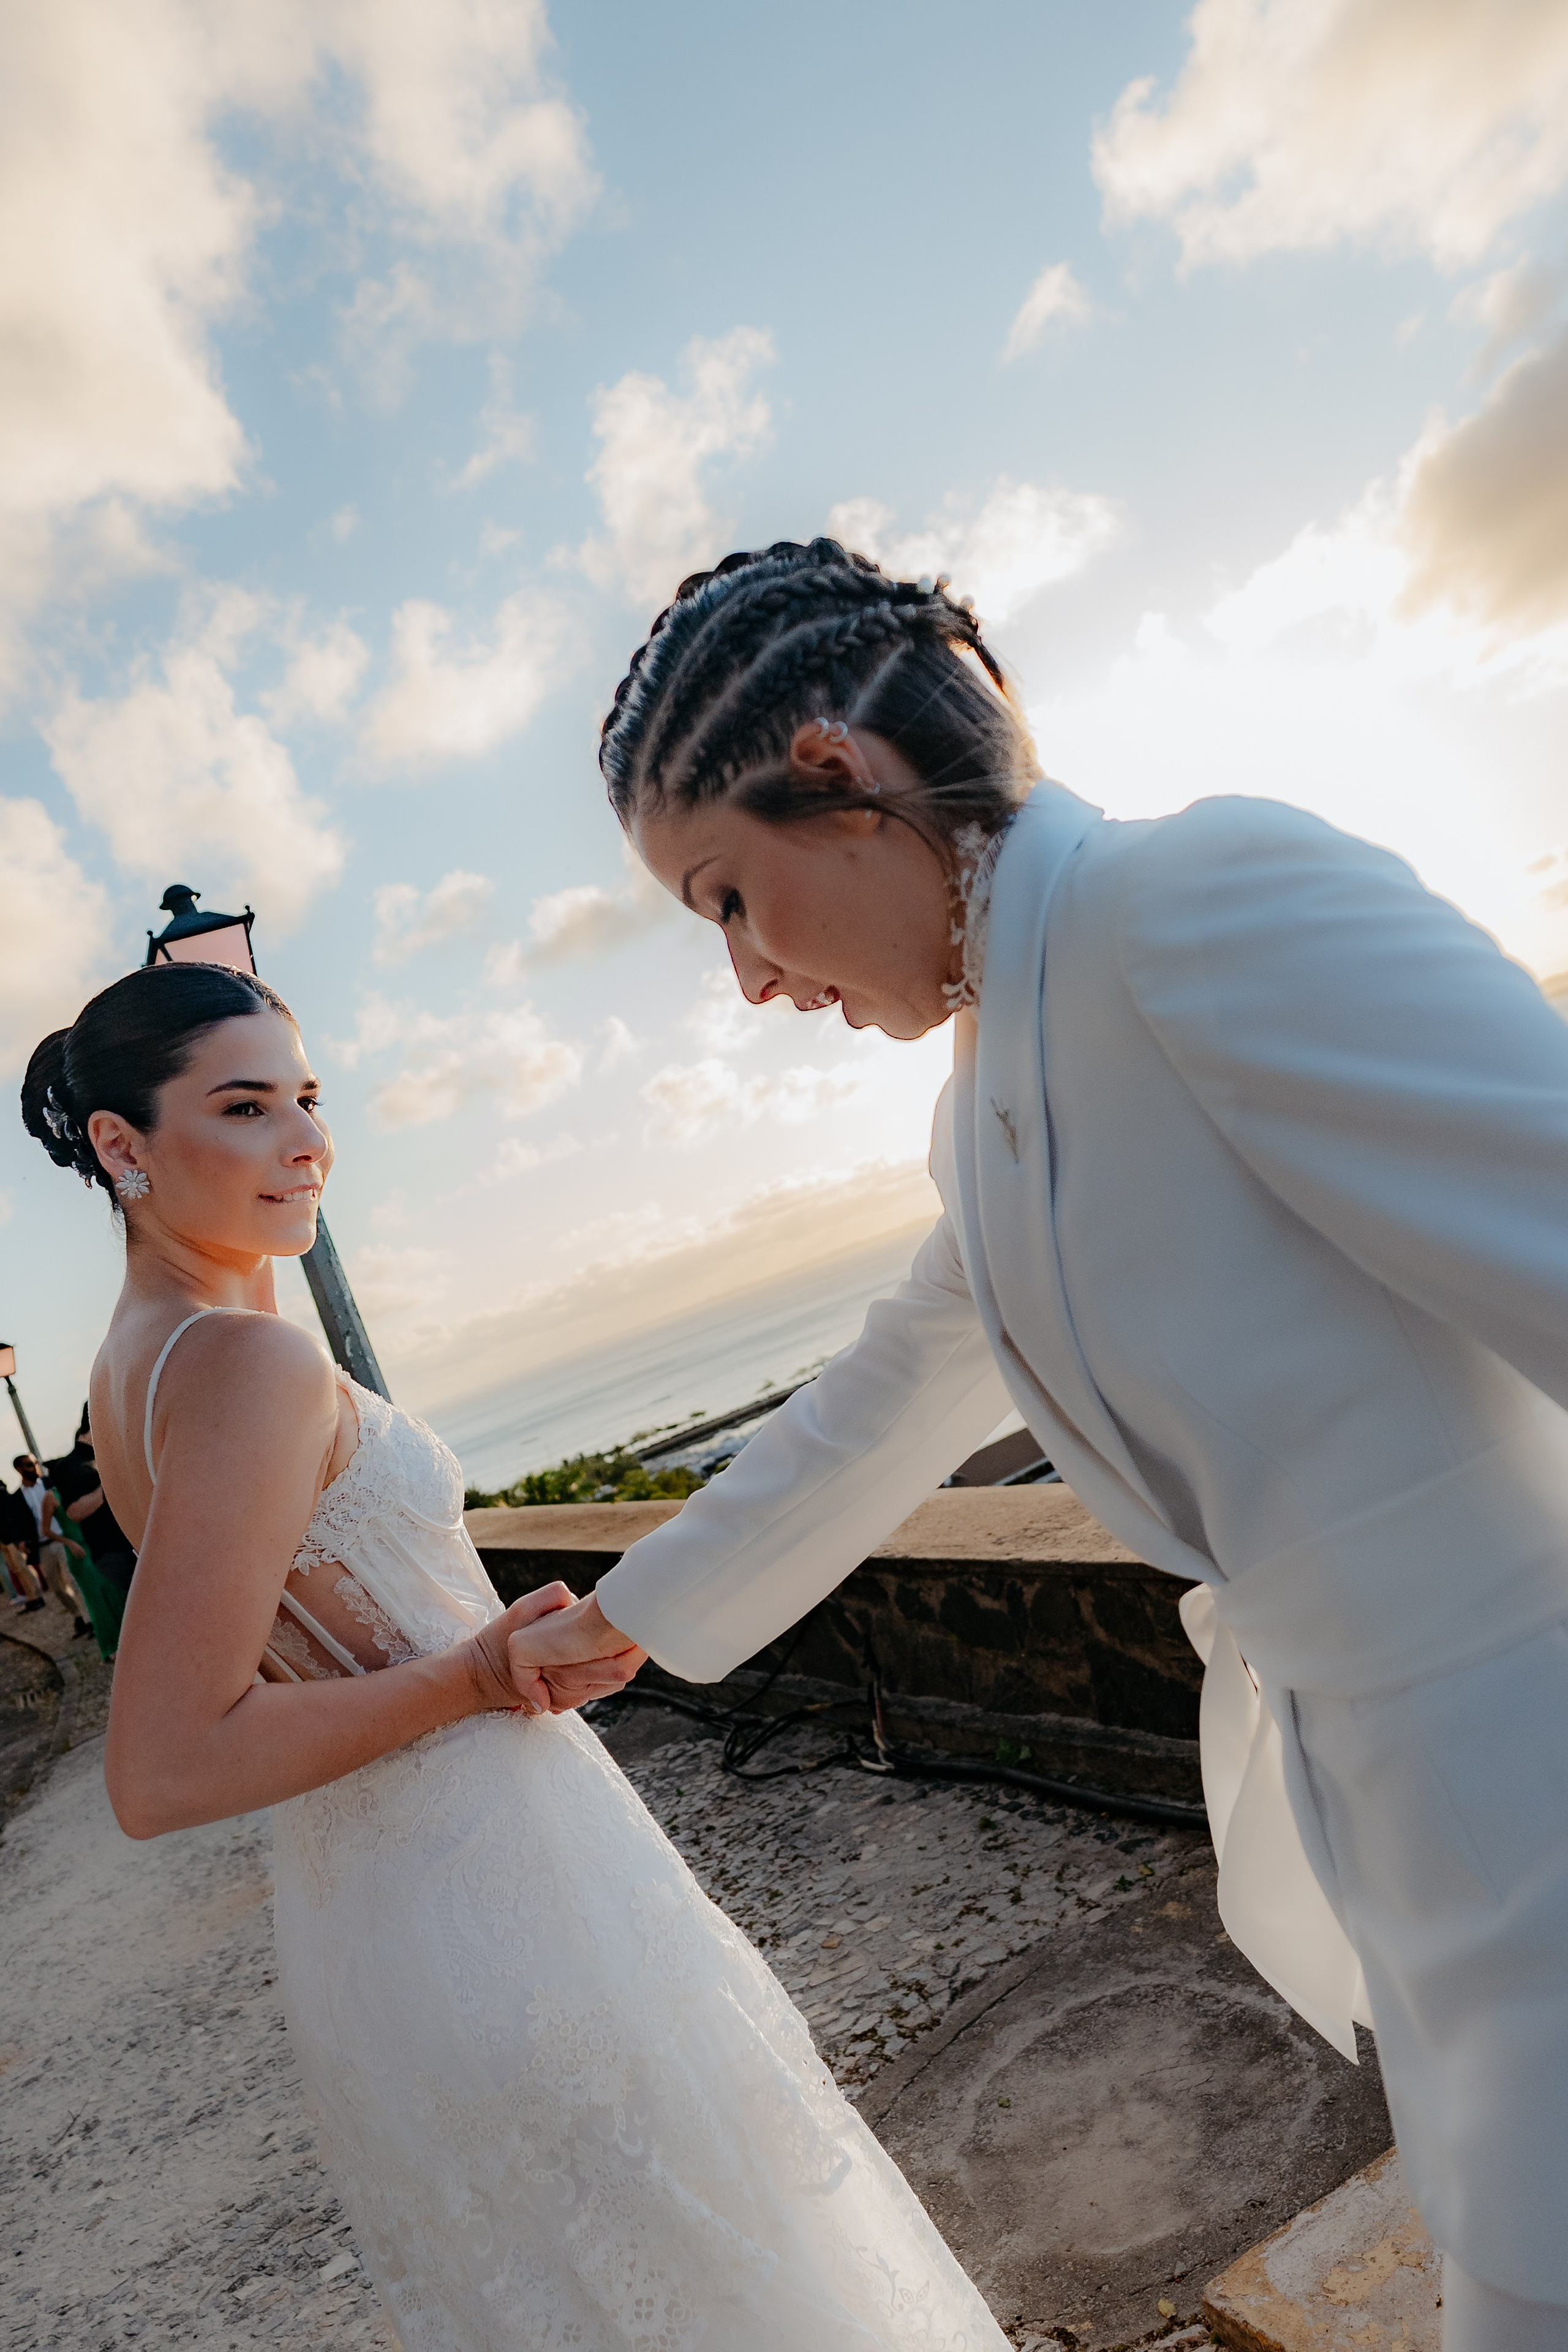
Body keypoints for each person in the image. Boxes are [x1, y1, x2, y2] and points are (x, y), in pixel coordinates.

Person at [533, 537, 1568, 2352]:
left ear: (839, 784)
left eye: (723, 897)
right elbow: (895, 1385)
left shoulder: (1199, 895)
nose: (748, 982)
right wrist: (631, 1610)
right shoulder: (985, 1098)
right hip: (1399, 1823)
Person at [20, 959, 1015, 2352]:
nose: (304, 1139)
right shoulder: (245, 1363)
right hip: (489, 1875)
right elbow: (166, 1761)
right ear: (123, 1143)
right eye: (244, 1106)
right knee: (736, 2265)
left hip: (373, 1904)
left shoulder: (135, 1364)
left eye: (307, 1098)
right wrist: (475, 1673)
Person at [13, 1454, 92, 1637]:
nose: (34, 1467)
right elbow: (15, 1522)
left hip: (63, 1540)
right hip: (41, 1547)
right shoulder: (17, 1497)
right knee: (57, 1588)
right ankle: (78, 1615)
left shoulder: (51, 1483)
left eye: (34, 1463)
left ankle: (89, 1622)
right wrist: (20, 1541)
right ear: (19, 1469)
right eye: (29, 1465)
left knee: (72, 1580)